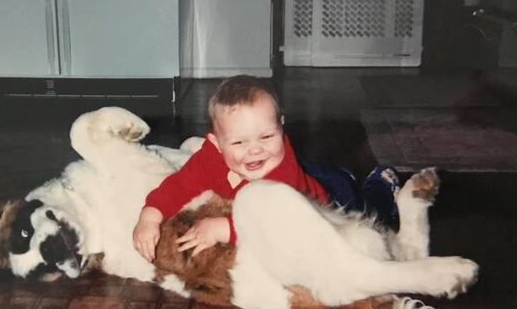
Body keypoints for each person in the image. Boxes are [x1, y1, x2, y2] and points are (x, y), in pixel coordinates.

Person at [132, 75, 400, 261]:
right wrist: (150, 216)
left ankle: (382, 185)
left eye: (267, 137)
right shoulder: (209, 156)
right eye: (238, 142)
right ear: (216, 143)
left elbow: (279, 224)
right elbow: (180, 184)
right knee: (328, 174)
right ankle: (343, 176)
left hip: (330, 205)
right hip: (315, 174)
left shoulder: (281, 176)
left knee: (370, 218)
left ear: (281, 126)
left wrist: (225, 228)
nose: (255, 150)